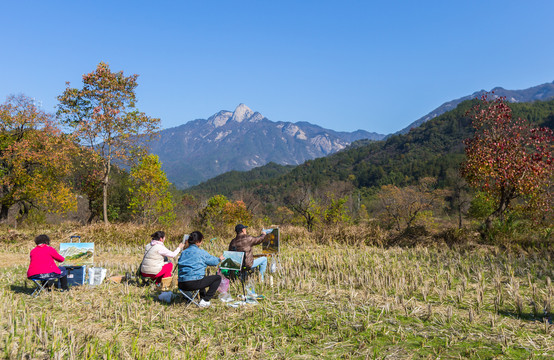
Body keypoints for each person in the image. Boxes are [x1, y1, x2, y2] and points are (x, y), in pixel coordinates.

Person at [178, 231, 223, 308]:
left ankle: (200, 296)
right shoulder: (201, 252)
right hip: (194, 283)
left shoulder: (183, 252)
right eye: (201, 240)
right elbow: (213, 262)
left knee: (201, 275)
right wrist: (219, 259)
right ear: (198, 242)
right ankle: (205, 300)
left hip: (181, 284)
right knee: (217, 278)